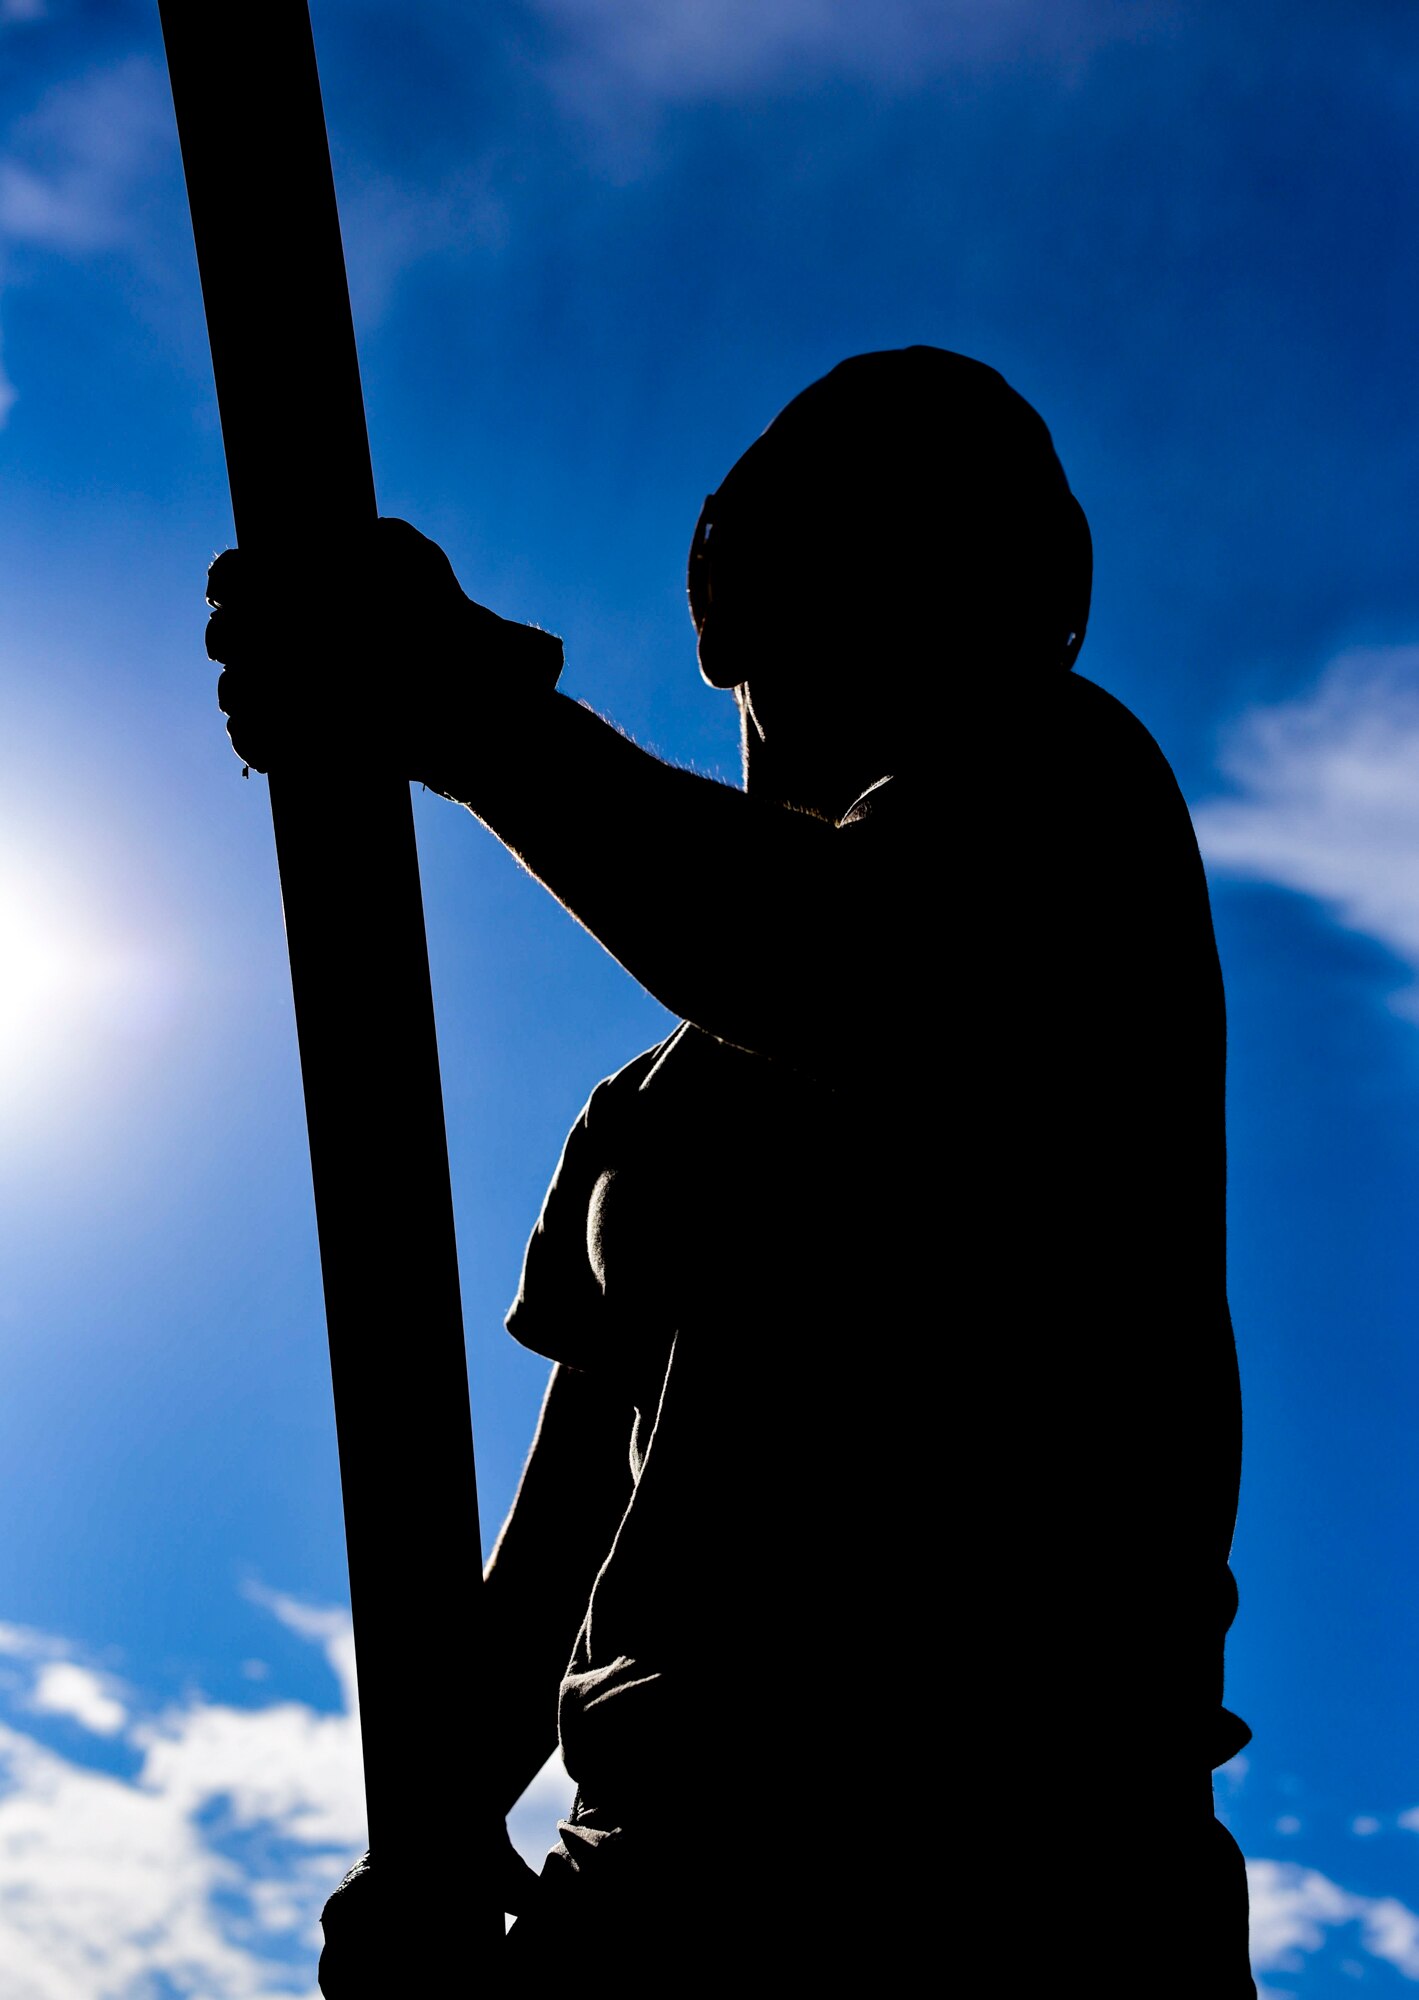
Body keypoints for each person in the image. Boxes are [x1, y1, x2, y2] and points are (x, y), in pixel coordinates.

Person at [205, 346, 1254, 1992]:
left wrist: (452, 702)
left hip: (1021, 1885)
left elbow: (844, 959)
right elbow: (552, 1558)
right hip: (637, 1905)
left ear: (1042, 607)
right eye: (874, 541)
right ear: (728, 602)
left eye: (981, 558)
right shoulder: (646, 1118)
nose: (936, 600)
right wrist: (426, 1844)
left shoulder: (1078, 808)